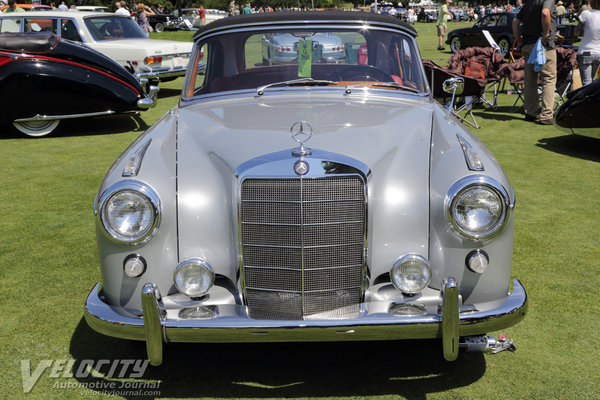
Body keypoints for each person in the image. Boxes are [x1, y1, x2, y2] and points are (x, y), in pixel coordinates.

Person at [513, 0, 558, 124]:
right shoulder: (548, 1)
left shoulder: (528, 3)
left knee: (530, 81)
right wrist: (547, 34)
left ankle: (530, 113)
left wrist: (519, 41)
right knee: (548, 79)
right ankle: (546, 115)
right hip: (543, 46)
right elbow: (545, 13)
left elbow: (515, 22)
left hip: (527, 45)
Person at [575, 0, 600, 85]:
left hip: (586, 52)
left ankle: (586, 98)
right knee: (591, 82)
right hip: (598, 53)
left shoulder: (585, 13)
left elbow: (576, 32)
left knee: (586, 83)